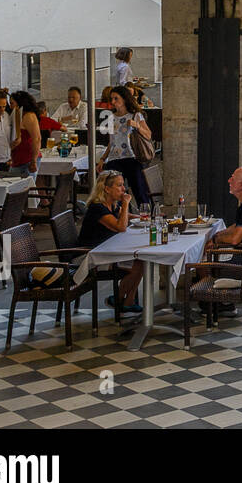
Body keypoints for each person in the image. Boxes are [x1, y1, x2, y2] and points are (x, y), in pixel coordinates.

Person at [78, 171, 145, 313]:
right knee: (137, 266)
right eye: (119, 186)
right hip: (90, 256)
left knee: (141, 260)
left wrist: (144, 218)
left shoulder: (112, 204)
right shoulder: (97, 208)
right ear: (107, 189)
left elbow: (126, 216)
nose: (123, 189)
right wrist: (126, 203)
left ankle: (128, 301)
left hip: (106, 250)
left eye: (123, 185)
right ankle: (118, 298)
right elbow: (121, 227)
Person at [96, 85, 153, 208]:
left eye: (116, 98)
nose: (113, 102)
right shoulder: (111, 117)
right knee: (114, 192)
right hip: (114, 158)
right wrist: (102, 159)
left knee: (139, 190)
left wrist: (137, 125)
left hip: (131, 157)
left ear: (125, 99)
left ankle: (146, 216)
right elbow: (112, 142)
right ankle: (121, 216)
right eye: (111, 99)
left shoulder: (135, 115)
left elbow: (148, 135)